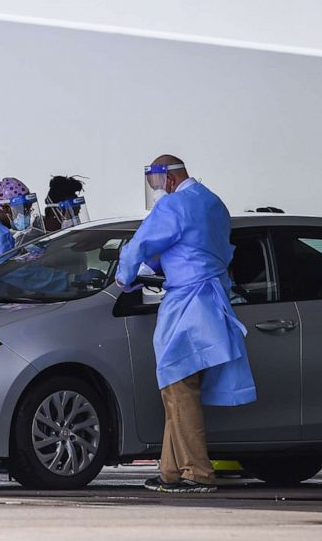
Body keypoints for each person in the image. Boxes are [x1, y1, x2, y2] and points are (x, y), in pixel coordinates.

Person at [115, 155, 256, 494]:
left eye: (158, 183)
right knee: (176, 391)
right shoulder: (213, 203)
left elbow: (140, 245)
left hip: (186, 307)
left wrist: (124, 277)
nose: (158, 190)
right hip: (213, 303)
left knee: (180, 390)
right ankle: (170, 471)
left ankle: (197, 472)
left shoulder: (173, 207)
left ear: (170, 179)